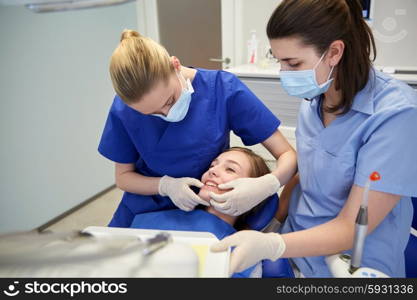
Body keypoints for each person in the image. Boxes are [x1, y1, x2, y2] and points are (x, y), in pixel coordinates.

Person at [210, 0, 417, 277]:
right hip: (293, 247)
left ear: (334, 52)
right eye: (279, 60)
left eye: (293, 63)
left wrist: (273, 244)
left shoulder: (395, 115)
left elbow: (350, 229)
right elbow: (306, 176)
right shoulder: (314, 99)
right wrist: (274, 222)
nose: (284, 73)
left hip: (351, 263)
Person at [98, 30, 297, 228]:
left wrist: (266, 185)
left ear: (175, 66)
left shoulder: (223, 89)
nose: (166, 114)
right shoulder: (124, 109)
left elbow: (287, 153)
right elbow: (123, 178)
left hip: (204, 211)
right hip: (142, 209)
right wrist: (165, 186)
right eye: (152, 113)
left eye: (169, 101)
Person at [130, 147, 275, 277]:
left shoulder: (245, 254)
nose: (212, 170)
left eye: (230, 169)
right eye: (213, 165)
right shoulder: (154, 220)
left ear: (252, 193)